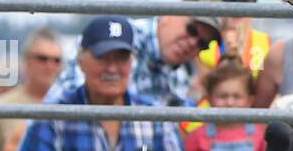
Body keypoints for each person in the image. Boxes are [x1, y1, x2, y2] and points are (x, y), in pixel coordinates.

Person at [11, 16, 194, 151]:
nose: (112, 68)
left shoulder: (155, 117)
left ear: (132, 63)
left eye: (121, 58)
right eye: (103, 58)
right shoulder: (55, 116)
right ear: (81, 62)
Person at [47, 10, 222, 107]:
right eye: (191, 30)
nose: (193, 42)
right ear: (169, 15)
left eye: (203, 43)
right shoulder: (118, 35)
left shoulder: (182, 74)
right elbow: (73, 102)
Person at [0, 27, 64, 151]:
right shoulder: (0, 107)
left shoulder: (72, 105)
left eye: (56, 60)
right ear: (26, 60)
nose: (50, 65)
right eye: (42, 58)